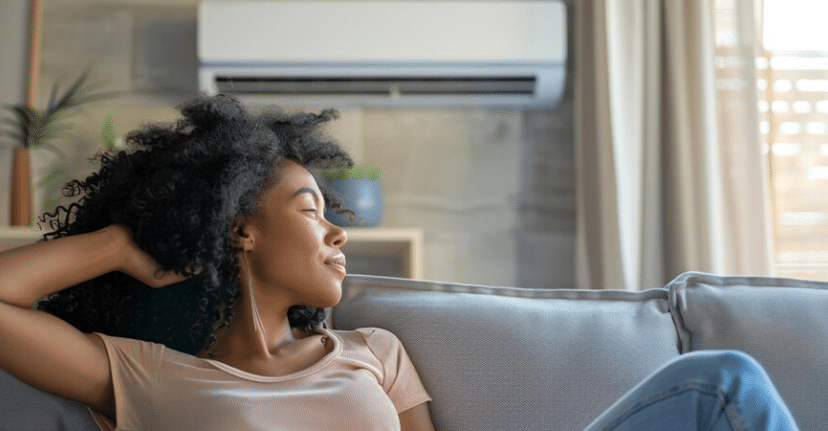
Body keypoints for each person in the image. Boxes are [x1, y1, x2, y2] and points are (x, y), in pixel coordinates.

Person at [0, 95, 800, 431]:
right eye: (313, 209)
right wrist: (122, 246)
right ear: (236, 230)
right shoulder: (148, 377)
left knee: (720, 382)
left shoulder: (371, 351)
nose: (339, 234)